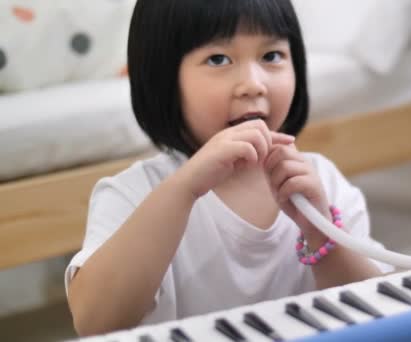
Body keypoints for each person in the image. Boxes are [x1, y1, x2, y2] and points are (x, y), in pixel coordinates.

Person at [65, 0, 392, 336]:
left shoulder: (322, 181)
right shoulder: (132, 193)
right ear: (162, 77)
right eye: (218, 59)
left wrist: (321, 232)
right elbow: (95, 322)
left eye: (271, 56)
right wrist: (184, 189)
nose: (253, 83)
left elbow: (381, 313)